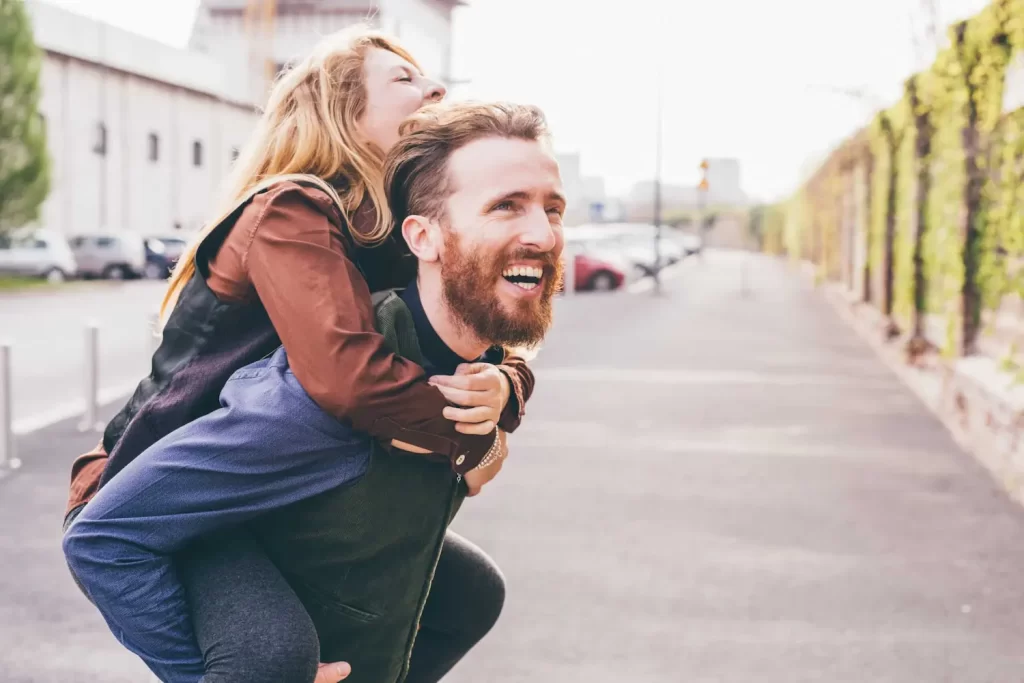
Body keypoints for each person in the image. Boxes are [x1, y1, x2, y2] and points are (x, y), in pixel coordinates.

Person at [61, 27, 534, 683]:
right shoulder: (292, 208)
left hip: (268, 490)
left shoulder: (389, 231)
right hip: (162, 492)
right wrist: (469, 438)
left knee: (468, 592)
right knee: (270, 658)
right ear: (341, 111)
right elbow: (351, 379)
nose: (434, 88)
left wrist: (507, 384)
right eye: (402, 79)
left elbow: (464, 327)